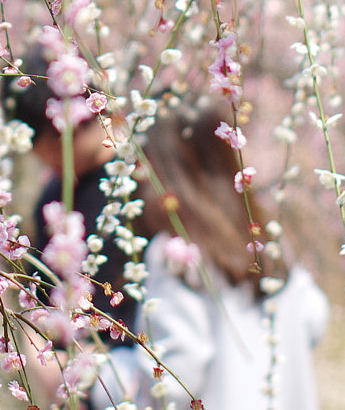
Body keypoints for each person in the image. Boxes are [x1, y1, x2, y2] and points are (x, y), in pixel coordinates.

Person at [123, 108, 329, 410]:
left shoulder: (177, 255)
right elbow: (315, 317)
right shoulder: (271, 241)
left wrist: (108, 376)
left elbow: (171, 381)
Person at [1, 48, 143, 405]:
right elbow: (45, 301)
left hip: (141, 374)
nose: (48, 155)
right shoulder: (53, 200)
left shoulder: (144, 177)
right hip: (83, 385)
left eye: (54, 138)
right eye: (38, 144)